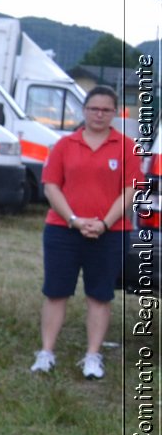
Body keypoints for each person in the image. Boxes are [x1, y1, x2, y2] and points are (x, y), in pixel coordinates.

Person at [31, 85, 141, 379]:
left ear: (116, 113)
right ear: (84, 110)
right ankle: (46, 352)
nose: (99, 114)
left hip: (110, 233)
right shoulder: (64, 145)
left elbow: (130, 190)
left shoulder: (127, 147)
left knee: (100, 295)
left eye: (106, 110)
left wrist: (104, 223)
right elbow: (51, 185)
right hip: (62, 231)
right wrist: (73, 220)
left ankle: (93, 356)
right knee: (56, 292)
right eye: (94, 109)